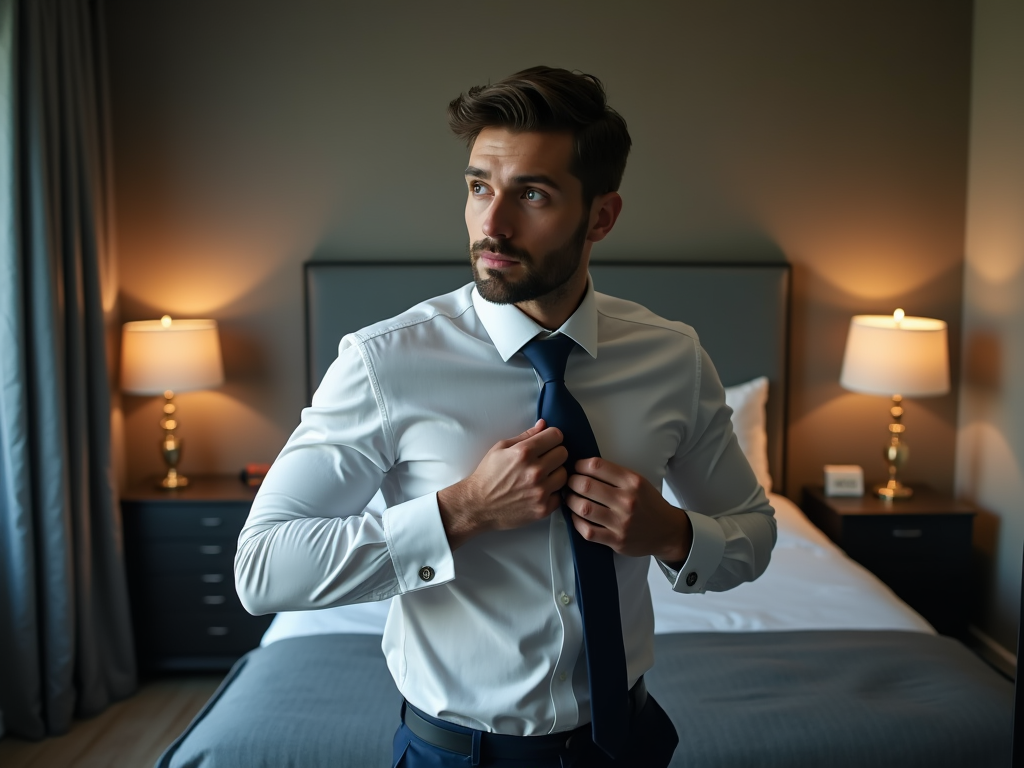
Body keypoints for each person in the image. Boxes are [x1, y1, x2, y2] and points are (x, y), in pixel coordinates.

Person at [235, 66, 777, 768]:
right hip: (453, 755)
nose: (492, 223)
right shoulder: (385, 363)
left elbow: (754, 533)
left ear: (602, 217)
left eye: (532, 193)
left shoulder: (671, 358)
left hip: (626, 745)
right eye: (478, 186)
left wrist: (671, 533)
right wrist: (460, 512)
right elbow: (263, 567)